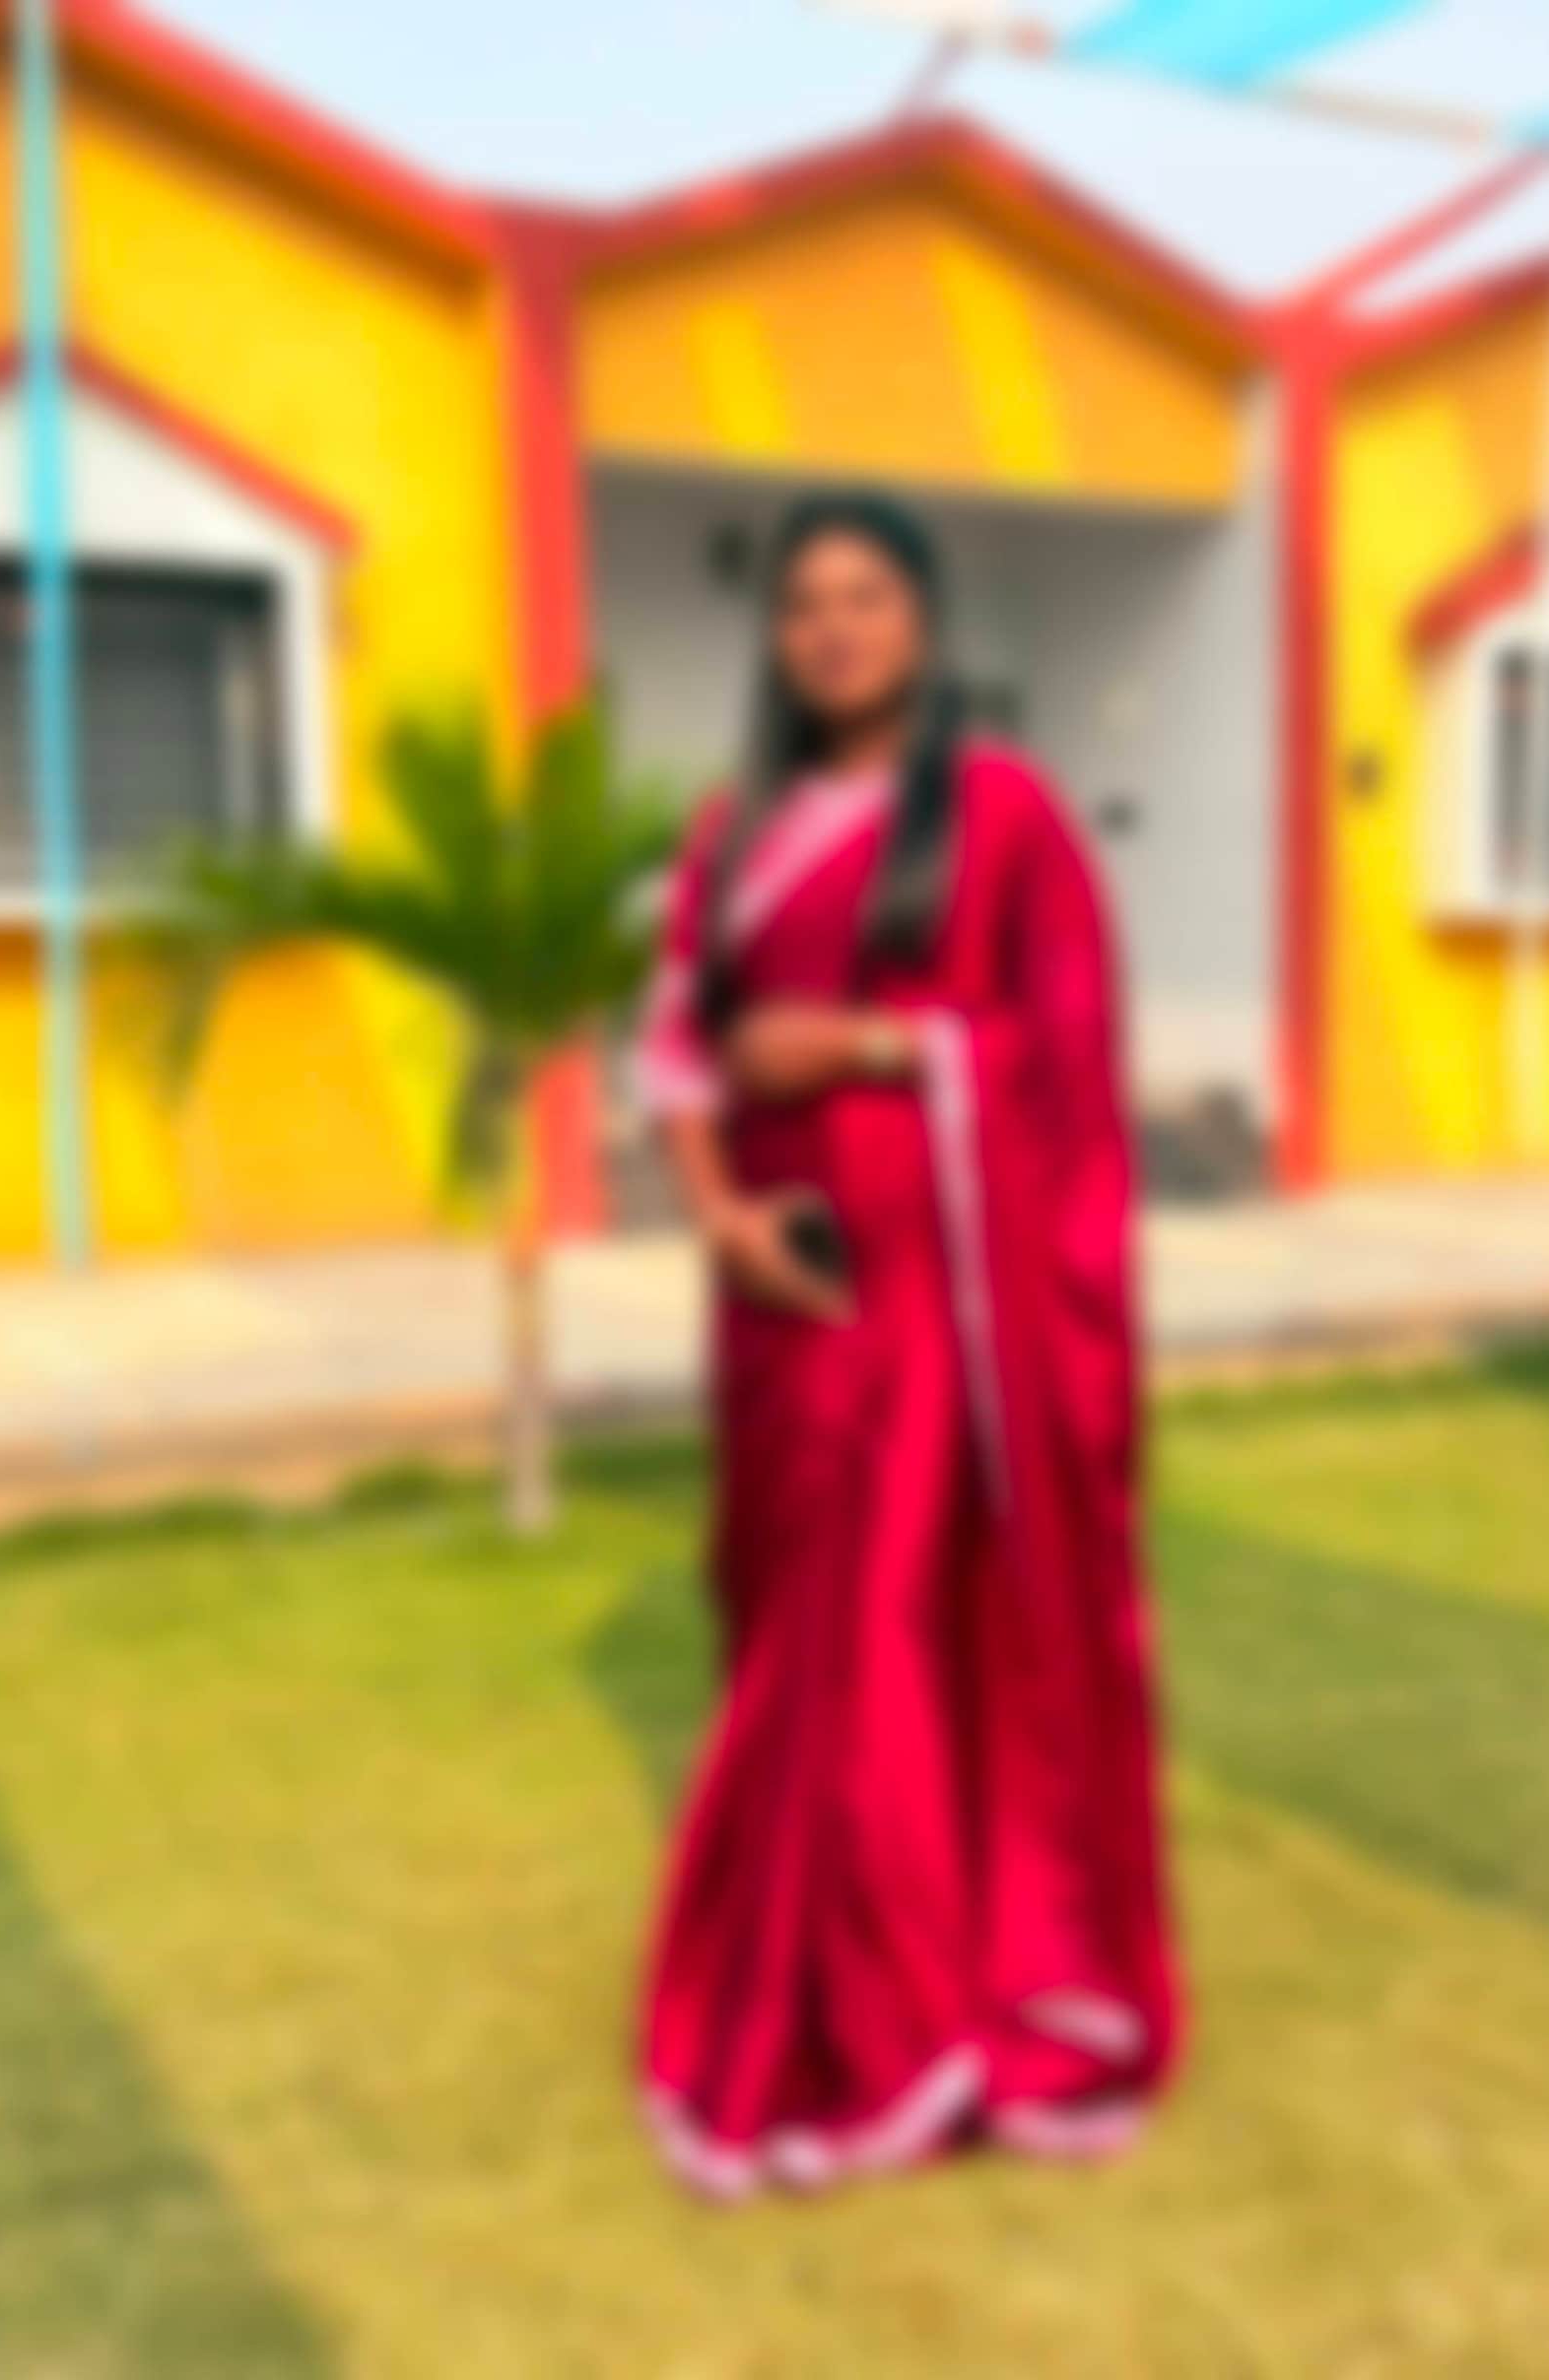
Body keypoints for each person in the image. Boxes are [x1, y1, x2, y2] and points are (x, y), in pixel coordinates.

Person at [633, 491, 1179, 2201]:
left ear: (925, 622)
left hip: (946, 1305)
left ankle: (912, 2012)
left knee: (889, 1626)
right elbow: (679, 1054)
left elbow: (1066, 1050)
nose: (834, 628)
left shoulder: (1005, 815)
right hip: (781, 1296)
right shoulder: (734, 833)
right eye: (803, 603)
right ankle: (806, 1979)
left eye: (866, 595)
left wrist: (872, 1046)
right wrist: (721, 1217)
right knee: (793, 1628)